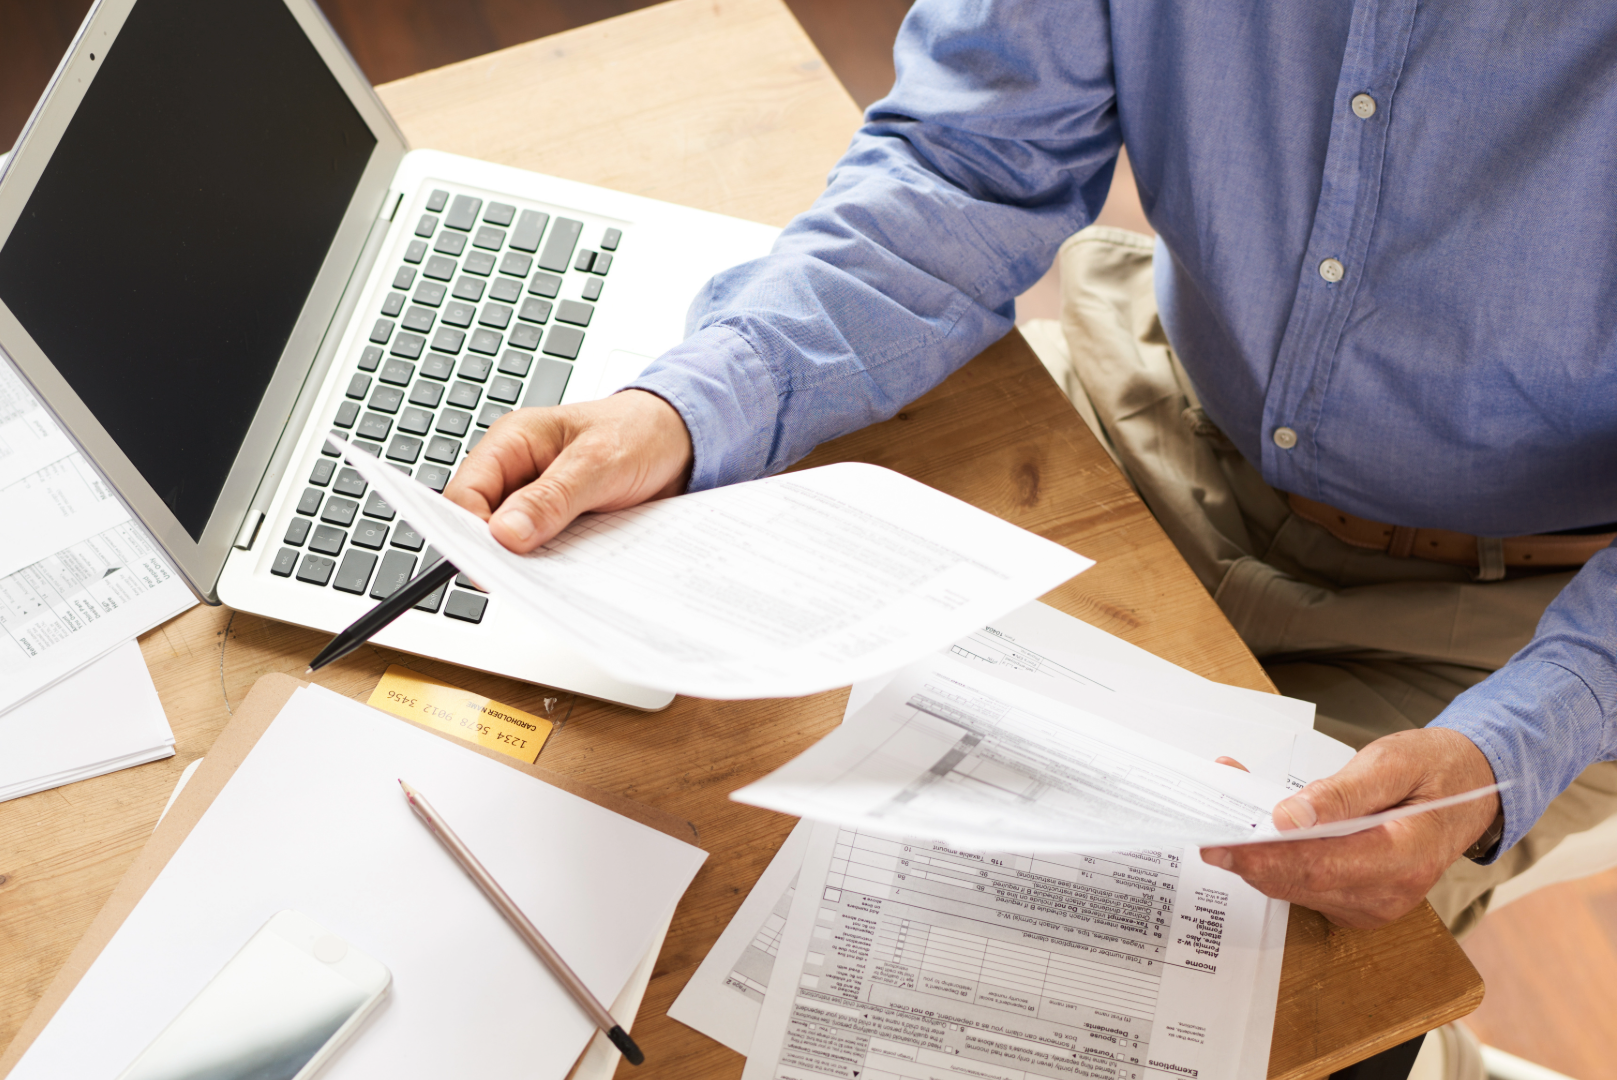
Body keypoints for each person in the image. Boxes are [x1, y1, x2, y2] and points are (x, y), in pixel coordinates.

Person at [444, 0, 1617, 967]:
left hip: (1522, 621)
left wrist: (1510, 748)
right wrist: (693, 405)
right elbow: (967, 163)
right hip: (1161, 406)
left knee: (1252, 976)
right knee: (716, 782)